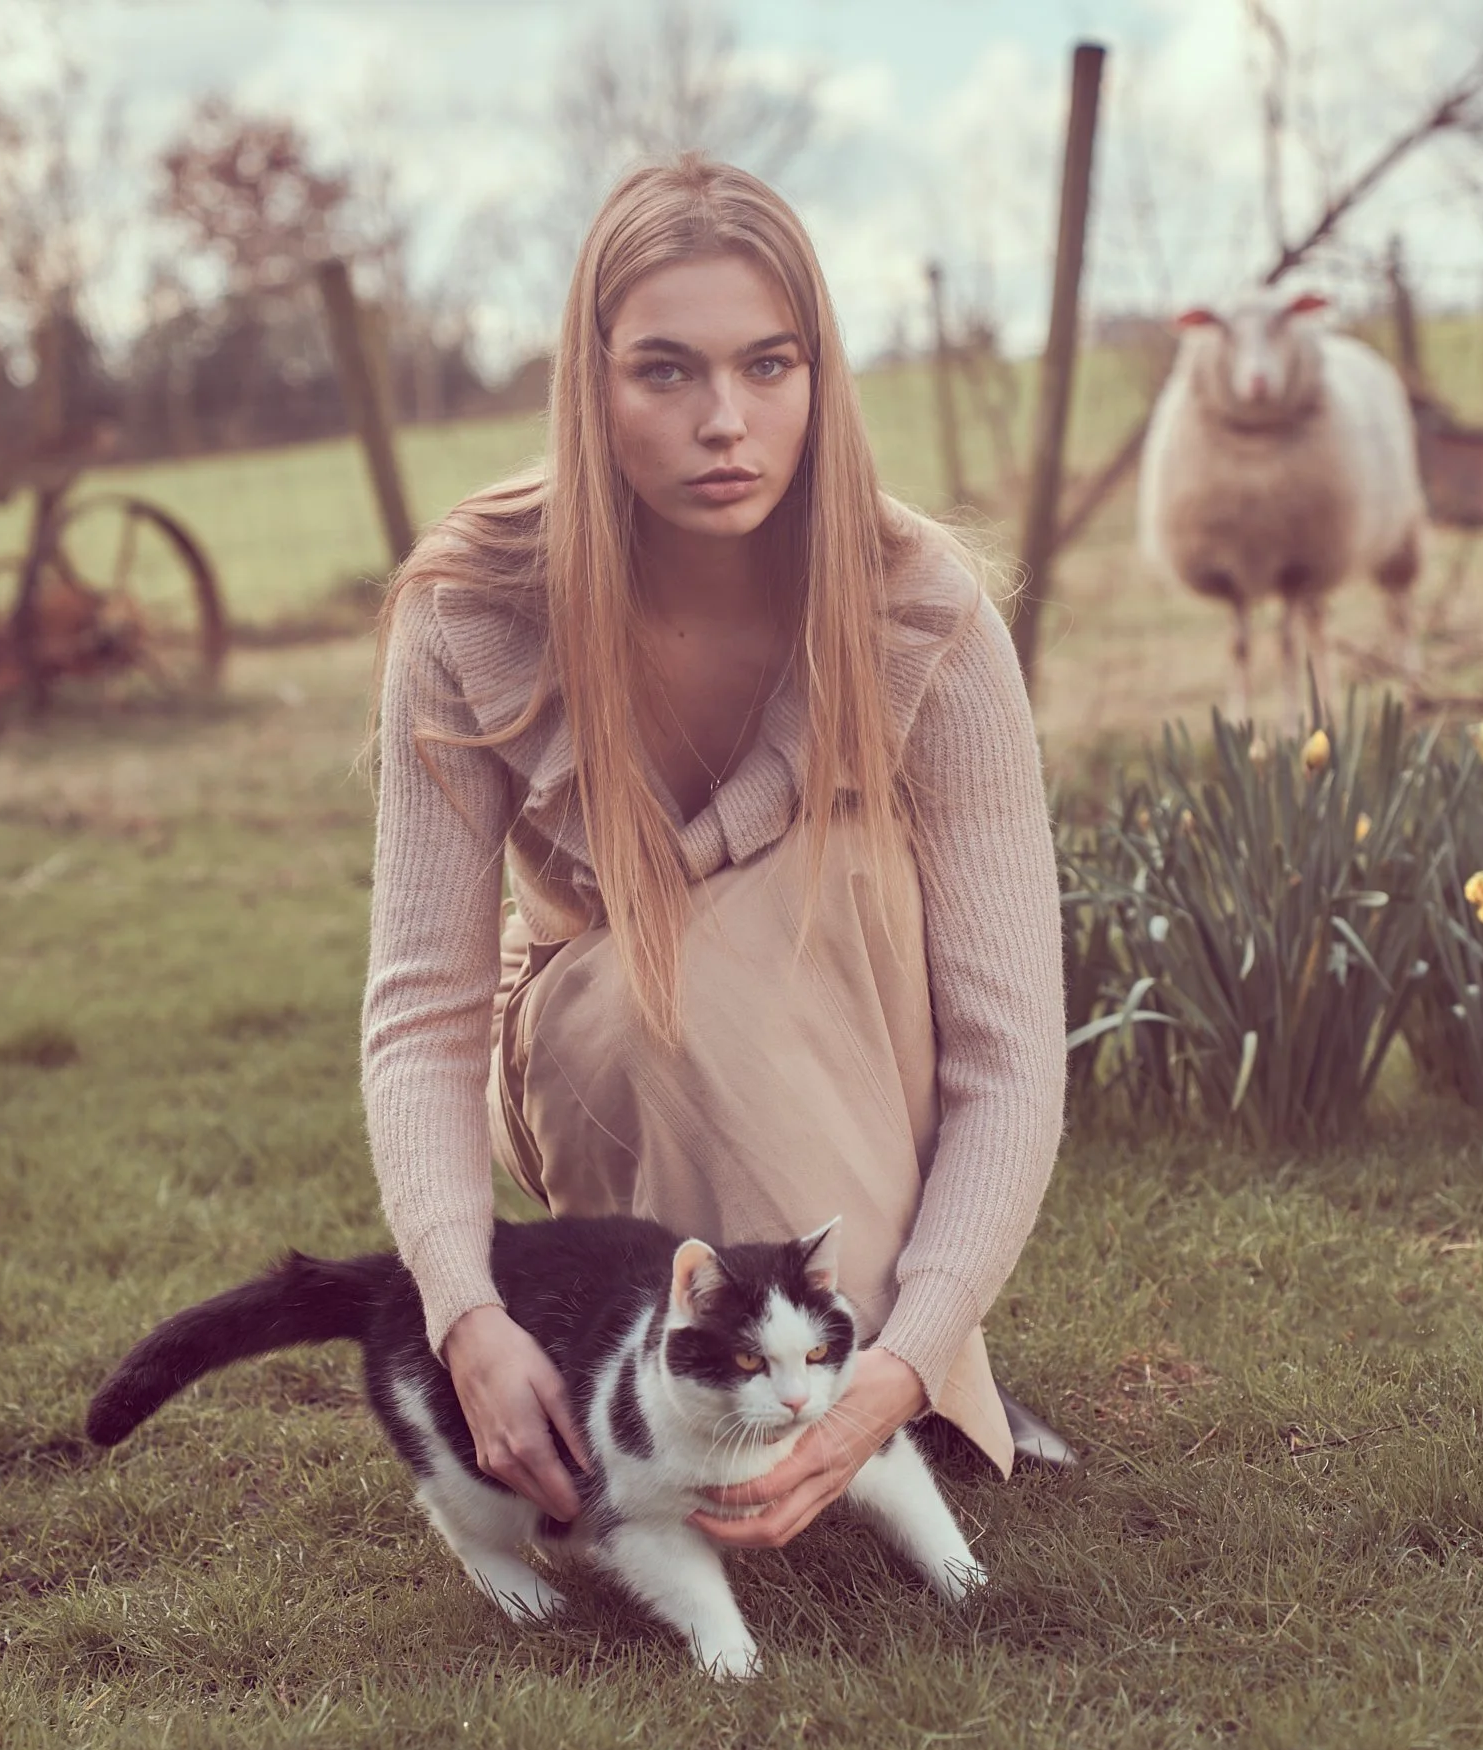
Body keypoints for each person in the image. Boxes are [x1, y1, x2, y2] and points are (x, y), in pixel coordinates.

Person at [362, 153, 1068, 1559]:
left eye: (768, 364)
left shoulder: (919, 609)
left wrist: (909, 1363)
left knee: (816, 895)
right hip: (595, 1047)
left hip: (862, 1026)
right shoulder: (474, 609)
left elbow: (1009, 1051)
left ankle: (866, 1388)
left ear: (818, 375)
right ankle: (722, 1383)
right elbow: (420, 1014)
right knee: (669, 997)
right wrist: (468, 1313)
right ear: (590, 380)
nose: (725, 422)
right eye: (666, 373)